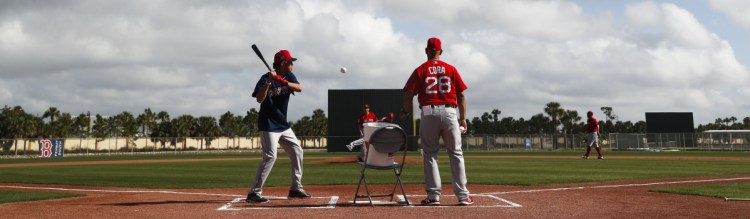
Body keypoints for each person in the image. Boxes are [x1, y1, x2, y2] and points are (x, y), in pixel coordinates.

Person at [401, 37, 473, 206]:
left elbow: (409, 94)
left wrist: (404, 110)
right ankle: (463, 196)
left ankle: (433, 196)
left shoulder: (421, 70)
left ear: (426, 51)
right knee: (456, 154)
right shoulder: (451, 69)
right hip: (449, 112)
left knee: (430, 154)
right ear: (441, 51)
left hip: (429, 112)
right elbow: (461, 94)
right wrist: (462, 118)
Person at [246, 49, 311, 203]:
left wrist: (283, 81)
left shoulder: (288, 76)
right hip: (268, 125)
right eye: (290, 62)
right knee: (270, 156)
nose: (292, 64)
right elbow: (259, 99)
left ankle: (295, 188)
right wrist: (269, 81)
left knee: (297, 151)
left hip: (282, 124)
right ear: (283, 63)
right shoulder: (264, 78)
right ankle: (253, 193)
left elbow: (299, 88)